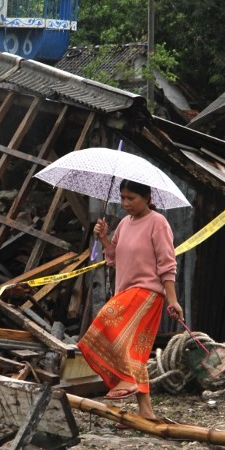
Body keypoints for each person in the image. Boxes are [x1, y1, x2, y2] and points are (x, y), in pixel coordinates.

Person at [80, 179, 183, 423]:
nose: (125, 203)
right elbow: (114, 258)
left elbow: (167, 264)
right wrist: (104, 238)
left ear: (147, 197)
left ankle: (126, 378)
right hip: (125, 291)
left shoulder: (158, 223)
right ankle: (146, 411)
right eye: (123, 197)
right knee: (136, 352)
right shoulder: (125, 223)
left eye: (131, 198)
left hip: (147, 292)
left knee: (106, 321)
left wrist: (173, 300)